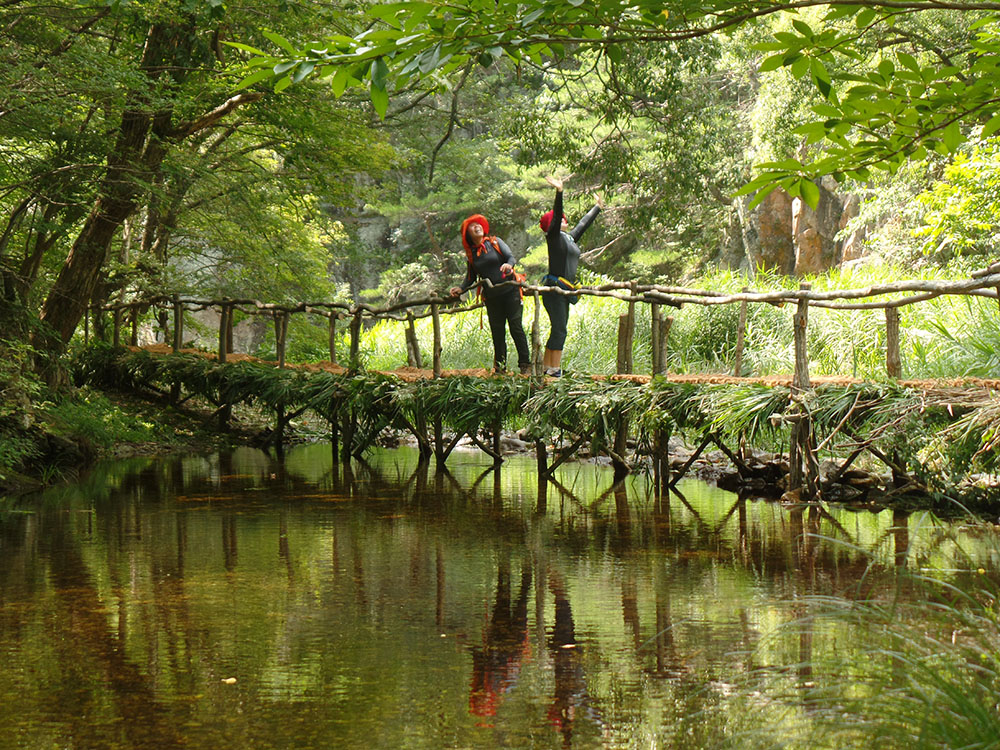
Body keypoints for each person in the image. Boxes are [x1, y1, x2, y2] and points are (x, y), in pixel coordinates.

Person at [450, 213, 532, 375]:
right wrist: (461, 288)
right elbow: (470, 277)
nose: (477, 226)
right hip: (492, 297)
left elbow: (511, 258)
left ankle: (525, 365)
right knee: (497, 332)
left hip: (511, 292)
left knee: (516, 327)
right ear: (467, 234)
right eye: (472, 226)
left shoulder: (495, 242)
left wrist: (508, 266)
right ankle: (500, 368)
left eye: (478, 224)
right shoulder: (472, 255)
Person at [539, 175, 602, 377]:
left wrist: (597, 207)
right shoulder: (553, 237)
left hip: (564, 289)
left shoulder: (569, 238)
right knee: (560, 329)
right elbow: (557, 214)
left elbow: (583, 224)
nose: (563, 219)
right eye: (558, 219)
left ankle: (546, 367)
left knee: (558, 328)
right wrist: (559, 192)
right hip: (554, 289)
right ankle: (554, 369)